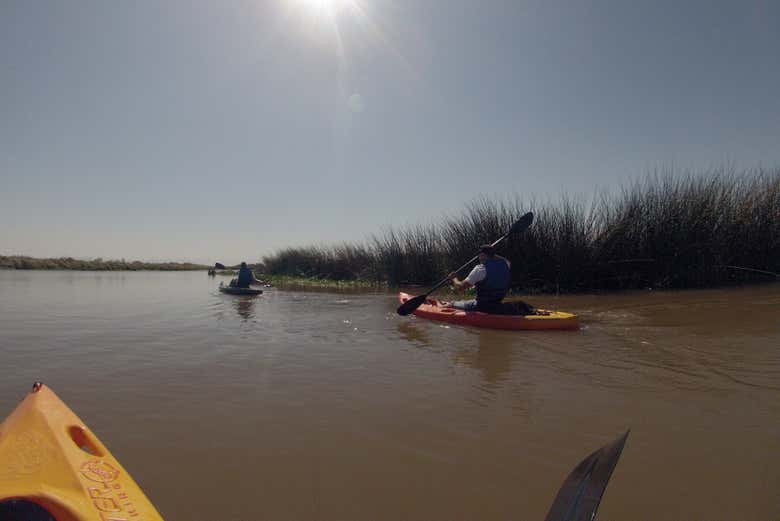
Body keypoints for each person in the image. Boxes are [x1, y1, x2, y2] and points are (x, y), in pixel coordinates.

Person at [448, 245, 511, 312]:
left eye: (480, 255)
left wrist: (454, 278)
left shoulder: (480, 269)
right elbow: (505, 260)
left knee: (453, 303)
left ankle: (453, 303)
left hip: (481, 306)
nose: (479, 258)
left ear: (483, 255)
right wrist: (491, 254)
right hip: (497, 303)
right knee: (464, 301)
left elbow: (461, 287)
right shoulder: (505, 264)